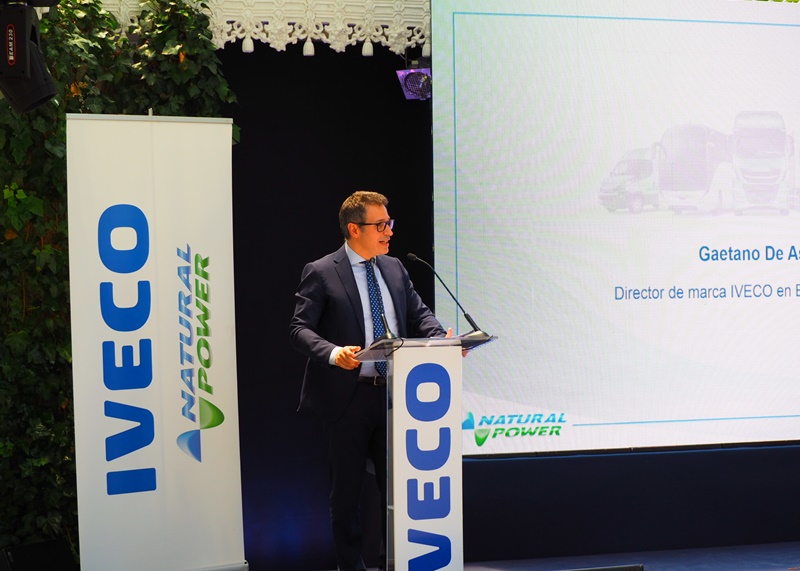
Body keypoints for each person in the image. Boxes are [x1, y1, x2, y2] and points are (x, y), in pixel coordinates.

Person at [290, 190, 447, 571]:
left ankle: (394, 560)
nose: (390, 231)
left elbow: (419, 314)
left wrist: (441, 340)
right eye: (381, 225)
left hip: (394, 396)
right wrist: (333, 353)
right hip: (347, 398)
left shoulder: (394, 268)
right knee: (347, 493)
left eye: (390, 223)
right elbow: (299, 328)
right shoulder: (322, 271)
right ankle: (351, 565)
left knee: (397, 488)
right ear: (354, 229)